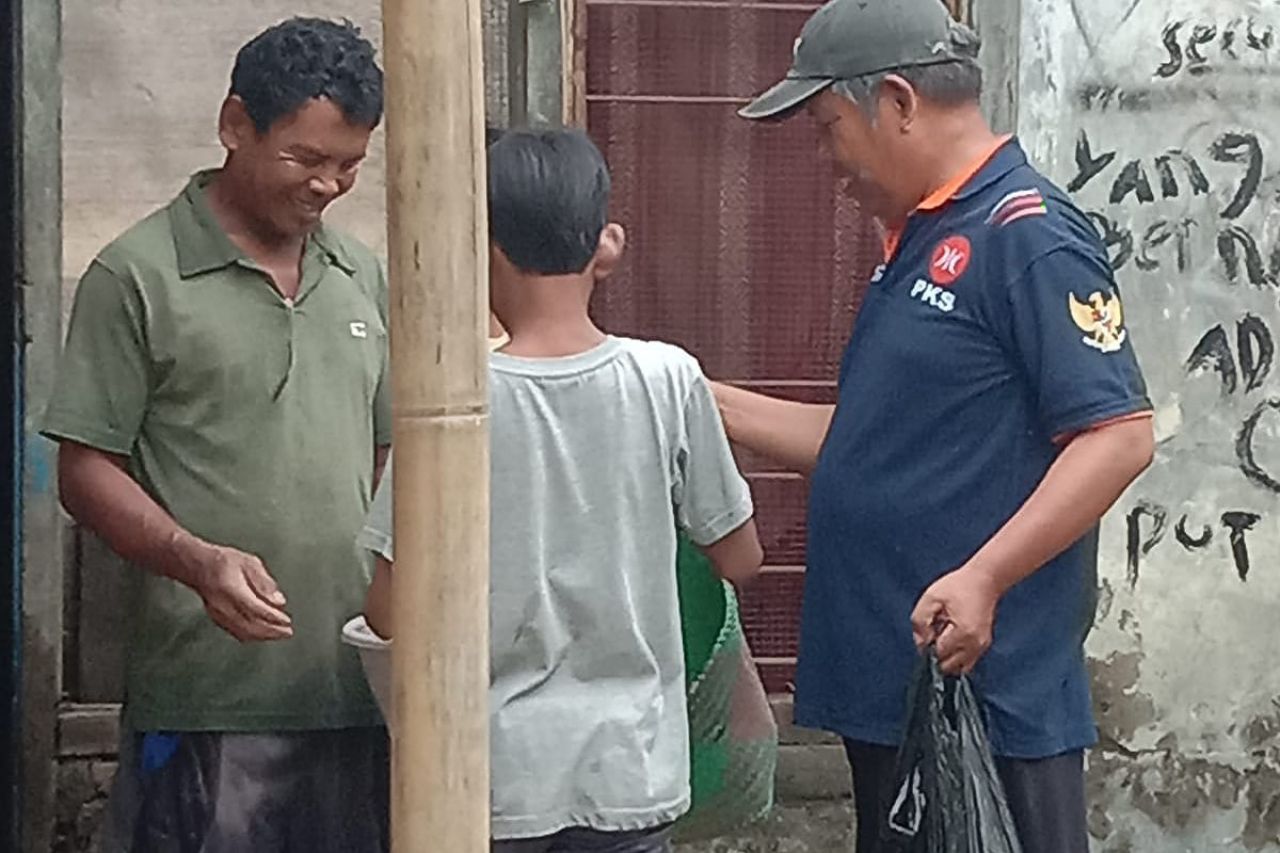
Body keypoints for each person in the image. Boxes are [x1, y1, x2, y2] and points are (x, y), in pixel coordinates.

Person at [717, 1, 1155, 851]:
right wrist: (696, 396)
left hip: (985, 707)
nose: (827, 159)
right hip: (900, 695)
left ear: (897, 101)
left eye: (829, 127)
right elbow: (871, 446)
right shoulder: (924, 235)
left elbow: (1118, 435)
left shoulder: (1027, 237)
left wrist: (985, 576)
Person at [357, 127, 765, 853]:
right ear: (605, 244)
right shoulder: (667, 379)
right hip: (632, 771)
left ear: (483, 247)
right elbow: (739, 556)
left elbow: (388, 610)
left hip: (488, 777)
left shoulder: (450, 402)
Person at [43, 18, 391, 852]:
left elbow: (386, 457)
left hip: (353, 691)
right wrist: (196, 560)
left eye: (349, 165)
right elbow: (85, 468)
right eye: (305, 158)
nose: (328, 185)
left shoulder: (360, 275)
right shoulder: (139, 273)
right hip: (206, 698)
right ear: (236, 123)